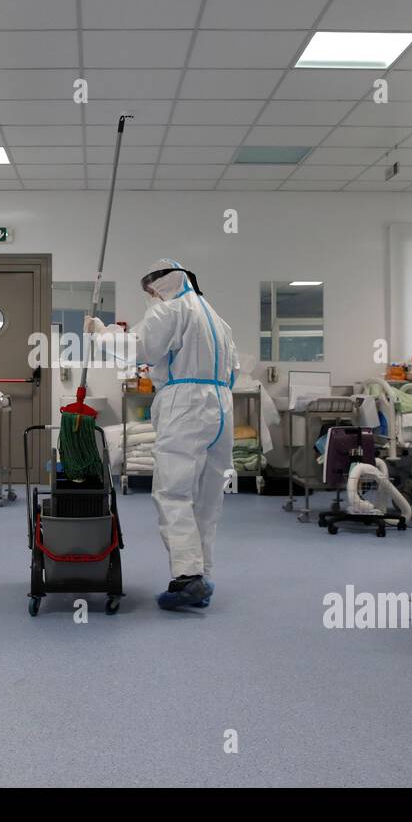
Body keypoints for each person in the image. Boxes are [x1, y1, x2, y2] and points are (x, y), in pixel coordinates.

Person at [86, 259, 238, 610]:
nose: (150, 298)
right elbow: (233, 371)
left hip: (186, 403)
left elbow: (138, 348)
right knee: (208, 496)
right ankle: (202, 573)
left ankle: (187, 579)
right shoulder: (218, 319)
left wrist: (101, 331)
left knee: (173, 492)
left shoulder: (171, 310)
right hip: (222, 407)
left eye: (150, 292)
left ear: (161, 286)